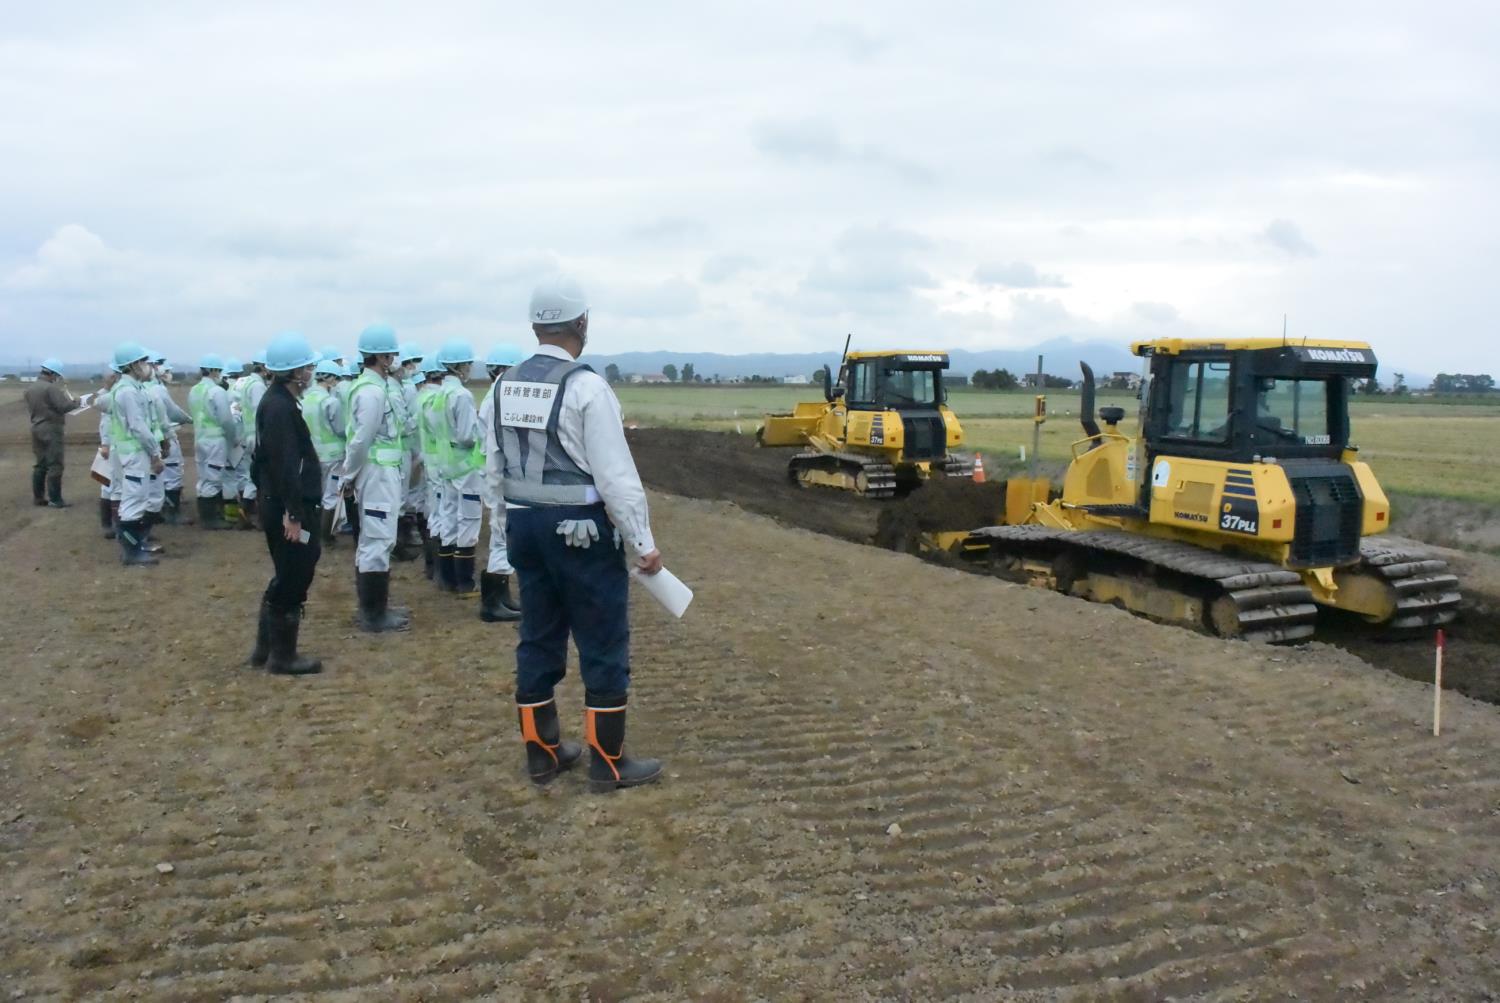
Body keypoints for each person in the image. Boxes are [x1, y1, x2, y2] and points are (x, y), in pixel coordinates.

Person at [488, 275, 663, 791]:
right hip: (581, 534)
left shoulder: (501, 387)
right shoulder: (587, 387)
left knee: (538, 637)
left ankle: (541, 753)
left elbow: (493, 472)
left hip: (524, 527)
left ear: (535, 325)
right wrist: (643, 543)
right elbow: (616, 478)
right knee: (603, 641)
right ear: (581, 323)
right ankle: (608, 762)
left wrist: (502, 537)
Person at [248, 332, 325, 675]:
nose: (311, 371)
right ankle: (282, 656)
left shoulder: (276, 401)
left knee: (287, 573)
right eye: (307, 366)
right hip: (288, 510)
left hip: (277, 503)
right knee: (295, 574)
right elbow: (283, 463)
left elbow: (260, 461)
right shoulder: (279, 407)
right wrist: (292, 513)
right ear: (295, 372)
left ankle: (266, 650)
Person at [343, 324, 411, 632]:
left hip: (383, 473)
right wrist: (349, 474)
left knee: (380, 537)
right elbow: (362, 438)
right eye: (392, 354)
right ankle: (373, 614)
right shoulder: (371, 392)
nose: (396, 359)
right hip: (377, 474)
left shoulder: (377, 387)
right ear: (382, 357)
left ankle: (376, 608)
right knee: (377, 539)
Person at [430, 340, 486, 595]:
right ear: (460, 366)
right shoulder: (462, 396)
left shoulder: (438, 394)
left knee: (449, 517)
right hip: (466, 466)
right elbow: (466, 436)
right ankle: (465, 581)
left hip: (446, 465)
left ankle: (447, 578)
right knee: (470, 520)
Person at [104, 343, 166, 566]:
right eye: (142, 362)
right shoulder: (128, 392)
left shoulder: (130, 388)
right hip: (134, 454)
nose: (147, 366)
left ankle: (137, 545)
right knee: (134, 501)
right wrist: (155, 454)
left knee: (137, 498)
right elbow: (139, 426)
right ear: (132, 365)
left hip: (132, 452)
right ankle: (131, 552)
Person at [475, 343, 524, 621]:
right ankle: (493, 602)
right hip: (499, 473)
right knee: (501, 533)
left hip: (494, 470)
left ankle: (501, 598)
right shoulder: (502, 395)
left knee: (502, 535)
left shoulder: (495, 394)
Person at [189, 354, 239, 529]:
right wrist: (233, 438)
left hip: (199, 439)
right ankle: (211, 519)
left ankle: (206, 515)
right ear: (214, 371)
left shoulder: (194, 390)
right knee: (213, 478)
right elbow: (226, 419)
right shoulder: (217, 391)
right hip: (215, 441)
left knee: (203, 477)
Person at [302, 359, 347, 545]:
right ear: (331, 379)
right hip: (333, 456)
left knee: (315, 493)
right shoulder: (330, 402)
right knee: (331, 496)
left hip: (312, 455)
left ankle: (311, 534)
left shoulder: (304, 400)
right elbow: (341, 429)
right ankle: (326, 536)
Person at [145, 351, 193, 524]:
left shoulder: (143, 387)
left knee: (156, 477)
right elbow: (172, 412)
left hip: (149, 439)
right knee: (173, 473)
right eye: (160, 364)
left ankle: (159, 509)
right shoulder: (156, 388)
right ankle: (173, 513)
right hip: (164, 436)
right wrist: (188, 419)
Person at [25, 358, 76, 508]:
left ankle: (38, 498)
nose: (57, 379)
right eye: (57, 376)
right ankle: (55, 499)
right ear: (52, 374)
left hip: (36, 427)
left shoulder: (30, 388)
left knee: (40, 464)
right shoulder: (50, 388)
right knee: (55, 464)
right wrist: (76, 403)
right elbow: (63, 406)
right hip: (51, 429)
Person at [416, 359, 448, 580]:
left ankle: (432, 566)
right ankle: (438, 569)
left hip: (429, 458)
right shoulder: (438, 398)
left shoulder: (421, 396)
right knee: (442, 516)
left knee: (432, 512)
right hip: (443, 462)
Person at [233, 351, 269, 529]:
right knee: (260, 478)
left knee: (252, 477)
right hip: (257, 437)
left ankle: (245, 513)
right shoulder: (257, 386)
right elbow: (260, 413)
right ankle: (258, 517)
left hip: (249, 435)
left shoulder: (249, 383)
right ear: (263, 367)